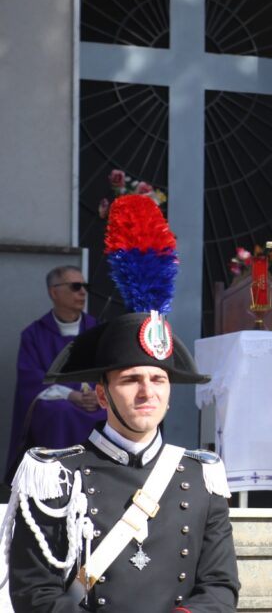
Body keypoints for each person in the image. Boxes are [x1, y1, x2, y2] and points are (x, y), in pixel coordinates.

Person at [0, 194, 239, 612]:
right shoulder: (54, 477)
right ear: (101, 392)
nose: (147, 392)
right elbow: (33, 594)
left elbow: (220, 588)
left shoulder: (201, 476)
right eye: (131, 379)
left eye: (158, 379)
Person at [4, 266, 105, 485]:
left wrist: (100, 395)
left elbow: (109, 370)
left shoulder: (97, 330)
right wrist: (71, 396)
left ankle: (100, 480)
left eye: (85, 287)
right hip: (57, 405)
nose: (83, 293)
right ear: (54, 292)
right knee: (59, 411)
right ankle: (55, 483)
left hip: (96, 402)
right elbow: (30, 380)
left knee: (111, 413)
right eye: (76, 287)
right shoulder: (34, 334)